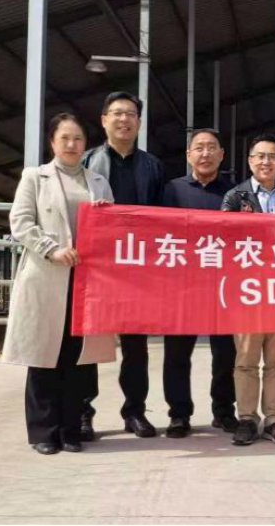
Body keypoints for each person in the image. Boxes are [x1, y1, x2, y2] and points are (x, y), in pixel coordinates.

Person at [2, 113, 117, 455]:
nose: (71, 144)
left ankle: (71, 428)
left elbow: (113, 228)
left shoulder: (98, 182)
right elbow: (21, 222)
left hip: (87, 283)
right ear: (52, 141)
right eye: (64, 138)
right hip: (47, 278)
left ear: (86, 144)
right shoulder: (35, 177)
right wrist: (51, 249)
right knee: (44, 356)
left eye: (78, 138)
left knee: (77, 358)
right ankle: (43, 431)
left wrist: (105, 213)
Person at [81, 91, 166, 441]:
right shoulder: (87, 161)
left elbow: (162, 217)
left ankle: (135, 412)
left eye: (130, 114)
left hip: (136, 269)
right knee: (90, 344)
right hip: (97, 267)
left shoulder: (152, 166)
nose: (124, 119)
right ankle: (83, 413)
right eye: (117, 113)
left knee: (136, 346)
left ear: (139, 122)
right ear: (104, 120)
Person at [221, 134, 275, 446]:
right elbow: (223, 240)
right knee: (245, 360)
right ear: (250, 161)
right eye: (260, 156)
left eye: (272, 156)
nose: (266, 162)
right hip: (247, 291)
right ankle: (246, 419)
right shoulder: (234, 197)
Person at [160, 129, 238, 439]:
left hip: (223, 288)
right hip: (182, 287)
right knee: (177, 355)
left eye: (211, 148)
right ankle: (179, 414)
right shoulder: (172, 190)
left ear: (221, 154)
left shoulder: (235, 193)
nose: (205, 153)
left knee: (226, 354)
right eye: (199, 148)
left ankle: (224, 411)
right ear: (188, 155)